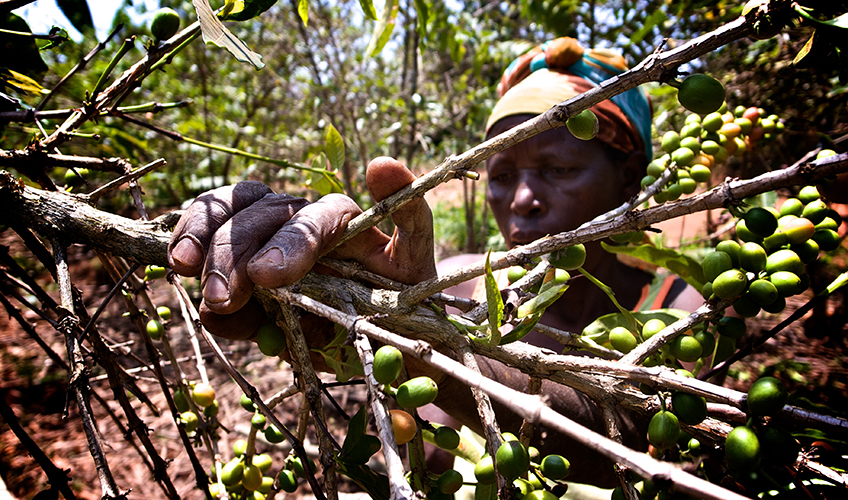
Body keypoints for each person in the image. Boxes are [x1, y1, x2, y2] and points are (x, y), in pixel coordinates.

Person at [168, 37, 702, 487]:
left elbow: (639, 442)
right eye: (500, 175)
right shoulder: (455, 283)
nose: (521, 199)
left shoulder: (680, 307)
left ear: (629, 178)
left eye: (558, 168)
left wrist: (440, 362)